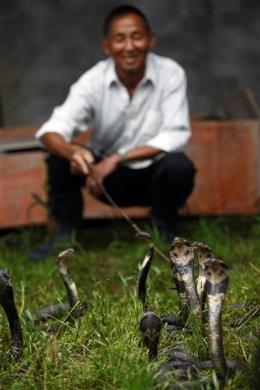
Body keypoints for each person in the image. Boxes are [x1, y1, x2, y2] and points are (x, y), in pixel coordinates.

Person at [29, 4, 196, 261]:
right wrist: (73, 151)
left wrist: (117, 158)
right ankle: (66, 234)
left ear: (151, 40)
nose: (129, 46)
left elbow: (176, 135)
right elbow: (51, 130)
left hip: (153, 177)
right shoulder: (93, 81)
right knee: (59, 156)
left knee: (180, 166)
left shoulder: (171, 74)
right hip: (103, 180)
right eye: (120, 39)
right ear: (106, 46)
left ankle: (165, 226)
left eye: (137, 36)